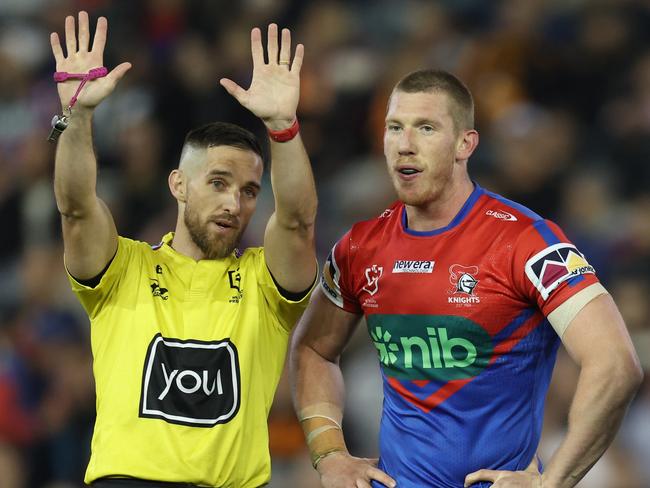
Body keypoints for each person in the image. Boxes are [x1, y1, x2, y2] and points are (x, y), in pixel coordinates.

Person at [289, 69, 643, 488]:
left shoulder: (526, 241)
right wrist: (330, 454)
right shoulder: (359, 247)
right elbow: (313, 348)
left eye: (425, 128)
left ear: (465, 143)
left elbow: (616, 363)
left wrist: (554, 482)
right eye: (394, 128)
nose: (405, 145)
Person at [50, 11, 317, 487]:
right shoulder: (123, 268)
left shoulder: (265, 282)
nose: (234, 202)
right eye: (217, 182)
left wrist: (283, 127)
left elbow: (297, 221)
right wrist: (78, 117)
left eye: (250, 190)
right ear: (178, 184)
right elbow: (74, 207)